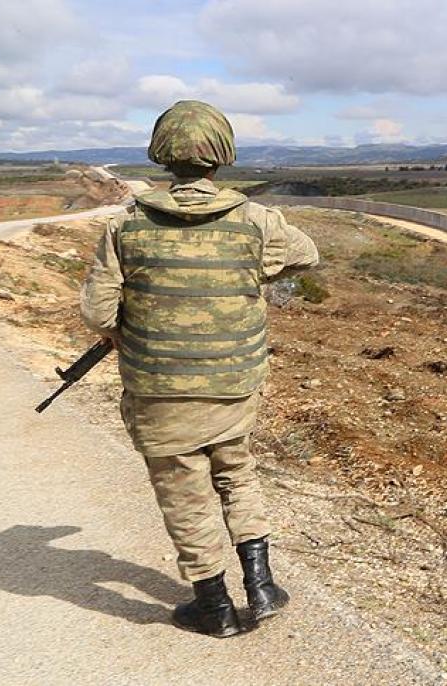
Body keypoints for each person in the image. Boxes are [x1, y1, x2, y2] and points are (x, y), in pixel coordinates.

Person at [80, 100, 320, 637]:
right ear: (223, 155)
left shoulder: (125, 228)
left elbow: (97, 313)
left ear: (162, 155)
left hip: (158, 389)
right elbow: (307, 255)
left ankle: (213, 607)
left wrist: (129, 330)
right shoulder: (258, 220)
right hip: (235, 385)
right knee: (236, 469)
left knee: (182, 489)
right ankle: (260, 587)